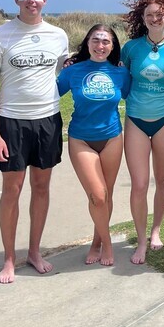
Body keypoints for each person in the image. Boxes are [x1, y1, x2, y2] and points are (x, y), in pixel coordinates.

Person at [0, 0, 68, 284]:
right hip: (11, 123)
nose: (32, 0)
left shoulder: (58, 36)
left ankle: (34, 251)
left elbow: (60, 73)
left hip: (48, 120)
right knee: (12, 190)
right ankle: (8, 258)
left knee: (42, 188)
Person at [121, 0, 164, 265]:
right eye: (149, 14)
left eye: (160, 14)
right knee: (139, 184)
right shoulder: (130, 49)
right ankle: (140, 241)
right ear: (142, 18)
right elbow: (120, 81)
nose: (155, 18)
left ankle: (156, 231)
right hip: (136, 119)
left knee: (162, 180)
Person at [57, 25, 130, 266]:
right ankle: (107, 246)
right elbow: (48, 95)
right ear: (87, 42)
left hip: (111, 138)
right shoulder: (73, 72)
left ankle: (96, 243)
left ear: (112, 46)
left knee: (106, 195)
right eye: (96, 40)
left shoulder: (120, 73)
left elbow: (135, 95)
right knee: (97, 196)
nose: (100, 46)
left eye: (106, 42)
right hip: (81, 139)